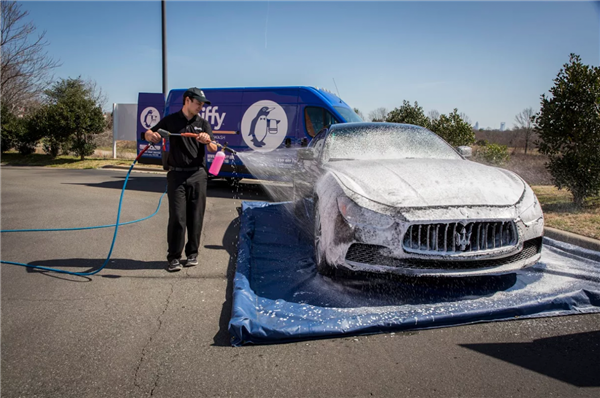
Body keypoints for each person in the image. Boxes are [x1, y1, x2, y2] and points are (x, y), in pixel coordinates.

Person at [143, 87, 217, 272]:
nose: (200, 106)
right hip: (176, 175)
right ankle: (174, 257)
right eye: (198, 102)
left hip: (198, 175)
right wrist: (150, 135)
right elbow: (149, 133)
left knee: (196, 216)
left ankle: (192, 253)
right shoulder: (171, 120)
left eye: (202, 104)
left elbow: (214, 148)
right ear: (187, 101)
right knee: (177, 217)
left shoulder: (203, 124)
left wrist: (207, 141)